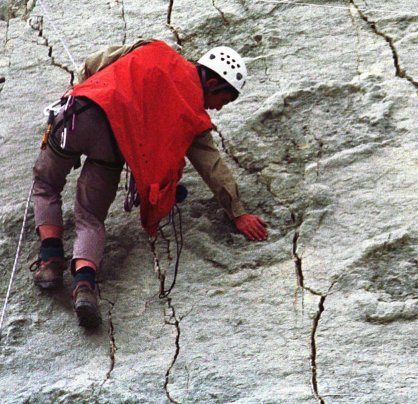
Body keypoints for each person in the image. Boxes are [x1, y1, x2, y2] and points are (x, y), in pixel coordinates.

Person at [30, 39, 268, 327]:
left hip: (79, 116)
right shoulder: (193, 116)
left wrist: (83, 89)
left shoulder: (153, 49)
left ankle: (50, 260)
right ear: (215, 83)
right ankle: (84, 285)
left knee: (46, 184)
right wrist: (238, 211)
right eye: (224, 100)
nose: (218, 108)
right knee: (91, 216)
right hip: (112, 147)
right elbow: (212, 166)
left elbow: (94, 62)